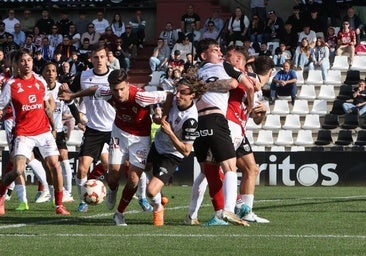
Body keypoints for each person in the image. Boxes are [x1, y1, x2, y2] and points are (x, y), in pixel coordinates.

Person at [59, 68, 173, 226]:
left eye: (121, 89)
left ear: (127, 84)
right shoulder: (107, 92)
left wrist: (164, 117)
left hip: (141, 138)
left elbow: (168, 95)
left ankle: (119, 213)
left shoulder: (141, 96)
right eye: (115, 90)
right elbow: (94, 90)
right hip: (119, 132)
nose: (118, 94)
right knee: (113, 174)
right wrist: (72, 95)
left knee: (133, 178)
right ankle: (111, 191)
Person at [185, 49, 273, 226]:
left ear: (239, 58)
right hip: (227, 125)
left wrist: (262, 111)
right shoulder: (231, 73)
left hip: (239, 129)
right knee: (213, 169)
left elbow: (257, 119)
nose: (223, 57)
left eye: (228, 55)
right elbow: (232, 83)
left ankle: (242, 210)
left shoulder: (247, 79)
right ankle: (226, 209)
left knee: (251, 169)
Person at [0, 48, 70, 215]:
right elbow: (2, 107)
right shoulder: (11, 85)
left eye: (29, 60)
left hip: (43, 131)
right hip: (23, 133)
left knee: (55, 165)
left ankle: (59, 204)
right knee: (17, 170)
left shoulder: (40, 81)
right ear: (16, 64)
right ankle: (1, 195)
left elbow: (47, 106)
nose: (27, 64)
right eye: (23, 61)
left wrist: (54, 127)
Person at [192, 38, 253, 226]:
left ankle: (192, 215)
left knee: (206, 170)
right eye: (215, 50)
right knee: (229, 167)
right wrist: (250, 107)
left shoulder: (196, 74)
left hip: (198, 122)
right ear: (203, 55)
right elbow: (248, 85)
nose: (220, 53)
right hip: (216, 120)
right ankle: (229, 209)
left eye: (220, 50)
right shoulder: (224, 66)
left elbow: (188, 92)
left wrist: (205, 87)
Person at [146, 75, 206, 226]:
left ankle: (158, 207)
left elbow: (186, 150)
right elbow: (159, 118)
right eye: (177, 91)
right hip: (157, 144)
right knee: (138, 169)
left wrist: (170, 132)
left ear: (193, 95)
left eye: (183, 92)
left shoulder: (190, 120)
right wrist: (157, 117)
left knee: (151, 192)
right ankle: (160, 197)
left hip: (172, 154)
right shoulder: (172, 99)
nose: (177, 95)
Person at [61, 46, 115, 213]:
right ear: (91, 59)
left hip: (115, 128)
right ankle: (83, 200)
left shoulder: (115, 76)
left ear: (108, 58)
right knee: (82, 168)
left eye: (102, 57)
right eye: (96, 57)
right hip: (93, 129)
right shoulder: (83, 76)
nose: (99, 60)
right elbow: (69, 97)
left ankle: (130, 195)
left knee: (114, 168)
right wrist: (78, 119)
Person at [42, 62, 81, 202]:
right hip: (42, 132)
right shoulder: (39, 88)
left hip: (57, 130)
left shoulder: (61, 88)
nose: (51, 73)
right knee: (48, 164)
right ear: (43, 73)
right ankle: (51, 193)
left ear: (56, 74)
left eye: (53, 71)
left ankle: (68, 192)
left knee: (64, 157)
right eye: (48, 70)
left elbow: (70, 106)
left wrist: (78, 120)